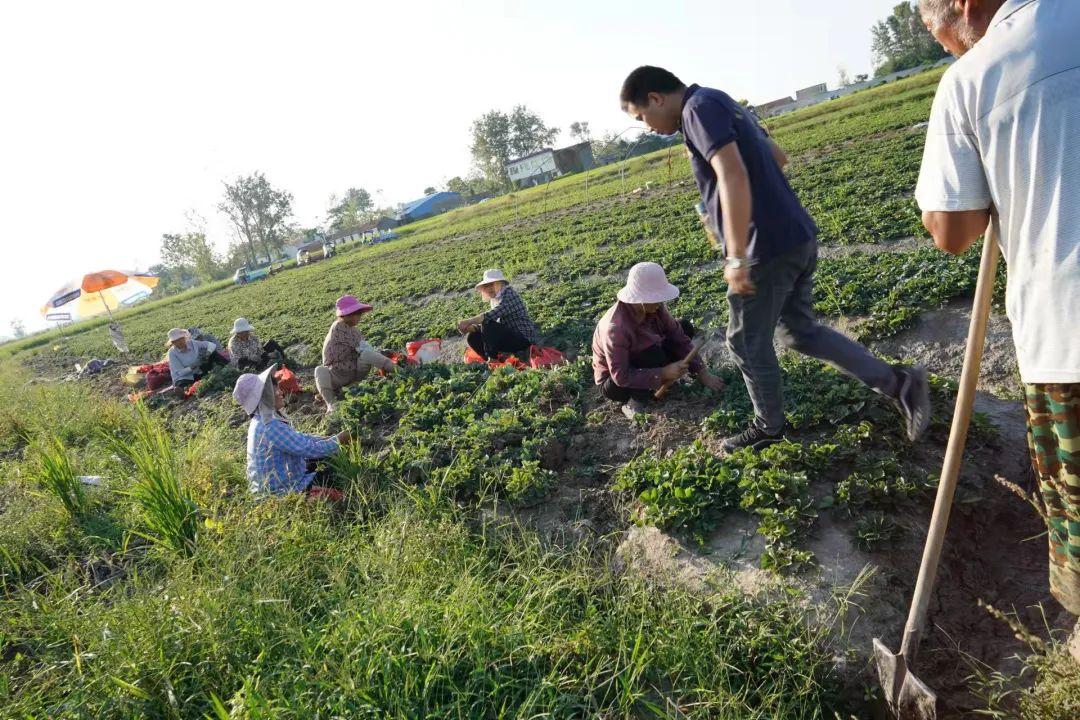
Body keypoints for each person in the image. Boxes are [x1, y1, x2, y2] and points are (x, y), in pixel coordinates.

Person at [619, 65, 931, 452]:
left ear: (655, 98)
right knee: (799, 332)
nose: (647, 126)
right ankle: (902, 384)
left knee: (746, 343)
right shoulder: (722, 102)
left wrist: (736, 255)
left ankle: (769, 427)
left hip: (763, 248)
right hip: (794, 235)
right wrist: (714, 206)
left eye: (641, 117)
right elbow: (777, 157)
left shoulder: (696, 110)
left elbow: (732, 173)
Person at [914, 0, 1080, 660]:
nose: (943, 50)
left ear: (959, 5)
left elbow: (952, 231)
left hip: (1068, 330)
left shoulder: (972, 79)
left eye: (937, 34)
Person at [593, 262, 724, 419]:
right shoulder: (616, 328)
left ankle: (659, 380)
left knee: (684, 327)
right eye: (656, 298)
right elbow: (621, 376)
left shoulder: (656, 308)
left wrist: (702, 372)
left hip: (643, 360)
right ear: (641, 300)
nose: (660, 302)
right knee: (651, 354)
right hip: (616, 384)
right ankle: (634, 402)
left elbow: (679, 338)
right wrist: (663, 372)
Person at [232, 364, 351, 496]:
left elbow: (298, 438)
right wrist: (339, 439)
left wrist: (326, 439)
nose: (281, 392)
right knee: (337, 474)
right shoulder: (270, 425)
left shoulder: (262, 419)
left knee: (326, 456)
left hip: (279, 482)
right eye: (274, 389)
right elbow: (310, 449)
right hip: (281, 492)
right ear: (265, 396)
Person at [314, 295, 395, 413]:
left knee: (367, 354)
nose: (360, 317)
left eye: (360, 314)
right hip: (337, 374)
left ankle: (399, 370)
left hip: (355, 371)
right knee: (320, 370)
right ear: (347, 315)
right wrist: (378, 353)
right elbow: (361, 347)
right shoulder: (338, 327)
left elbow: (364, 349)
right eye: (358, 314)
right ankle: (331, 404)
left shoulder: (355, 331)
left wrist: (381, 353)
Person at [457, 269, 539, 360]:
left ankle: (492, 358)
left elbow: (489, 317)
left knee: (487, 323)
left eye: (491, 284)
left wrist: (468, 321)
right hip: (509, 337)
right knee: (472, 337)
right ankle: (491, 358)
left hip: (523, 339)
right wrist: (471, 328)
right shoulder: (495, 299)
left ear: (500, 283)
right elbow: (491, 328)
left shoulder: (509, 294)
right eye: (486, 286)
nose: (489, 289)